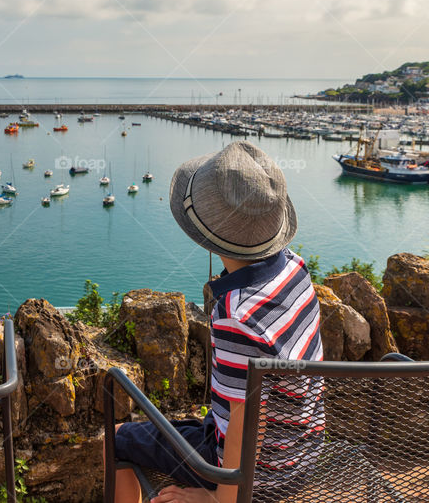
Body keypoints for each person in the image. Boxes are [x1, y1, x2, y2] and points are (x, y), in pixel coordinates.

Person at [110, 142, 324, 503]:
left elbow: (245, 423)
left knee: (116, 439)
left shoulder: (236, 316)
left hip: (255, 474)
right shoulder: (295, 269)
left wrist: (216, 500)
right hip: (301, 456)